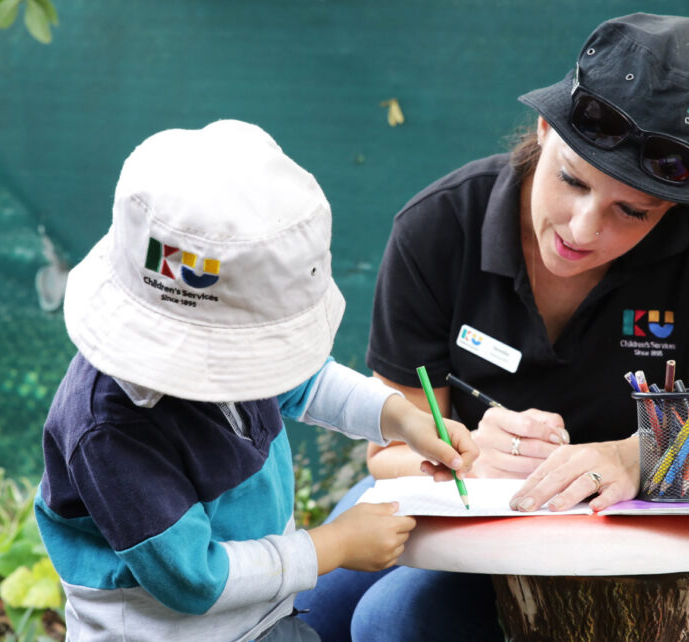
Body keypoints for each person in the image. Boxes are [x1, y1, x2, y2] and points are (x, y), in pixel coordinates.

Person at [295, 12, 689, 642]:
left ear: (683, 202)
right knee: (310, 611)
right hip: (479, 502)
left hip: (636, 516)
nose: (583, 231)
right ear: (542, 128)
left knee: (399, 620)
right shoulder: (438, 224)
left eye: (632, 211)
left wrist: (633, 457)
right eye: (571, 180)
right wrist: (467, 456)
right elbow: (387, 453)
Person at [33, 120, 478, 642]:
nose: (258, 372)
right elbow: (193, 579)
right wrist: (333, 545)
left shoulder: (231, 364)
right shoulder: (110, 432)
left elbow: (306, 382)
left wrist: (401, 418)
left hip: (261, 612)